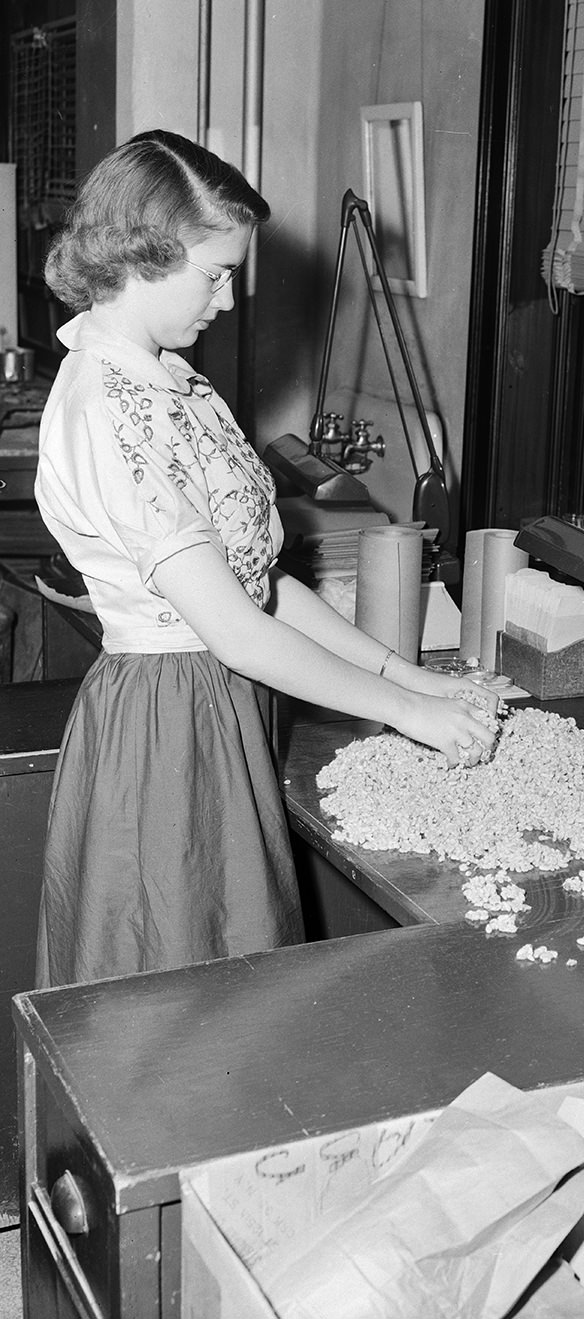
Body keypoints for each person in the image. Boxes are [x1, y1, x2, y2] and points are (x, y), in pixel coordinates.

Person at [34, 129, 498, 989]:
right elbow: (240, 631)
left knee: (240, 977)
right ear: (144, 253)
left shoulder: (172, 381)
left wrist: (410, 675)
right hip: (167, 725)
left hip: (221, 703)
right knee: (178, 993)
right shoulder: (108, 409)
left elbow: (264, 584)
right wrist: (406, 713)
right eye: (214, 273)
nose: (230, 298)